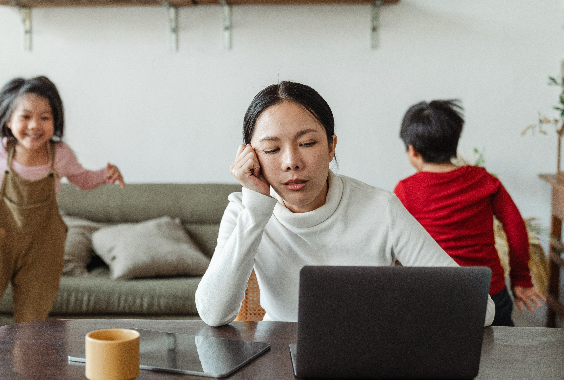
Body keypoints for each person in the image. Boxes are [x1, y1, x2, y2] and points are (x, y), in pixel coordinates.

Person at [195, 82, 495, 327]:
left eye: (308, 143)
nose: (291, 163)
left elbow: (480, 310)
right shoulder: (244, 211)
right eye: (272, 149)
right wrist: (256, 209)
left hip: (367, 359)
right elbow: (213, 313)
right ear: (251, 156)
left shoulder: (381, 208)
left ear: (331, 147)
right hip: (279, 361)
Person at [0, 76, 125, 354]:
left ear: (55, 121)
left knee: (32, 328)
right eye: (25, 116)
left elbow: (82, 179)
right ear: (8, 120)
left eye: (45, 117)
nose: (34, 125)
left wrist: (105, 174)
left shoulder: (60, 154)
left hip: (41, 249)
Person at [393, 99, 546, 327]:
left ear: (412, 150)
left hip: (436, 297)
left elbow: (396, 243)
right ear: (455, 143)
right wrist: (521, 278)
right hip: (489, 293)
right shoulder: (485, 180)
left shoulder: (405, 190)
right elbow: (515, 227)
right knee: (499, 357)